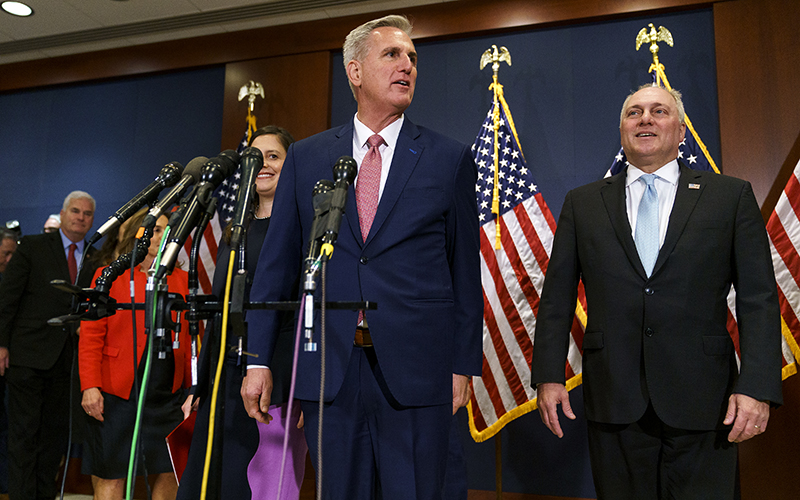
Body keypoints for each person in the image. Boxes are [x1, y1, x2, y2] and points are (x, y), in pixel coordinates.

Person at [241, 15, 482, 499]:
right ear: (354, 71)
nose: (407, 66)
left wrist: (463, 365)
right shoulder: (308, 158)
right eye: (392, 55)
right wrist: (257, 359)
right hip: (331, 370)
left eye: (412, 57)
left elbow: (464, 271)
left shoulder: (447, 158)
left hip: (419, 370)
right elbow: (276, 267)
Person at [531, 84, 782, 499]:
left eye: (659, 111)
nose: (645, 118)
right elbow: (556, 299)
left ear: (681, 132)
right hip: (614, 398)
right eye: (634, 113)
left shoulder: (729, 196)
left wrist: (757, 386)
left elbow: (758, 299)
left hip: (705, 400)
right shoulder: (583, 203)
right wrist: (548, 376)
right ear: (623, 130)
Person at [178, 126, 308, 500]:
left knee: (258, 487)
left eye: (273, 156)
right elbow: (220, 314)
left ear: (292, 165)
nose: (262, 165)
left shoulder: (302, 230)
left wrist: (303, 387)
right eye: (254, 157)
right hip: (225, 377)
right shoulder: (235, 231)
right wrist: (200, 385)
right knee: (207, 485)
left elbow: (304, 315)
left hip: (276, 380)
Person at [79, 208, 192, 500]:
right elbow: (91, 336)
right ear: (137, 236)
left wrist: (194, 389)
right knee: (112, 472)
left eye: (165, 230)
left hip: (168, 394)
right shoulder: (109, 276)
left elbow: (193, 339)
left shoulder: (182, 279)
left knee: (170, 470)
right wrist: (90, 386)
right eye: (155, 230)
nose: (161, 236)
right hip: (117, 393)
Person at [0, 190, 98, 500]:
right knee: (23, 437)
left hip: (68, 364)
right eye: (75, 211)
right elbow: (7, 297)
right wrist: (1, 344)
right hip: (27, 358)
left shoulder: (96, 257)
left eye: (87, 214)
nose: (80, 217)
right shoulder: (33, 246)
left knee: (53, 439)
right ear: (64, 212)